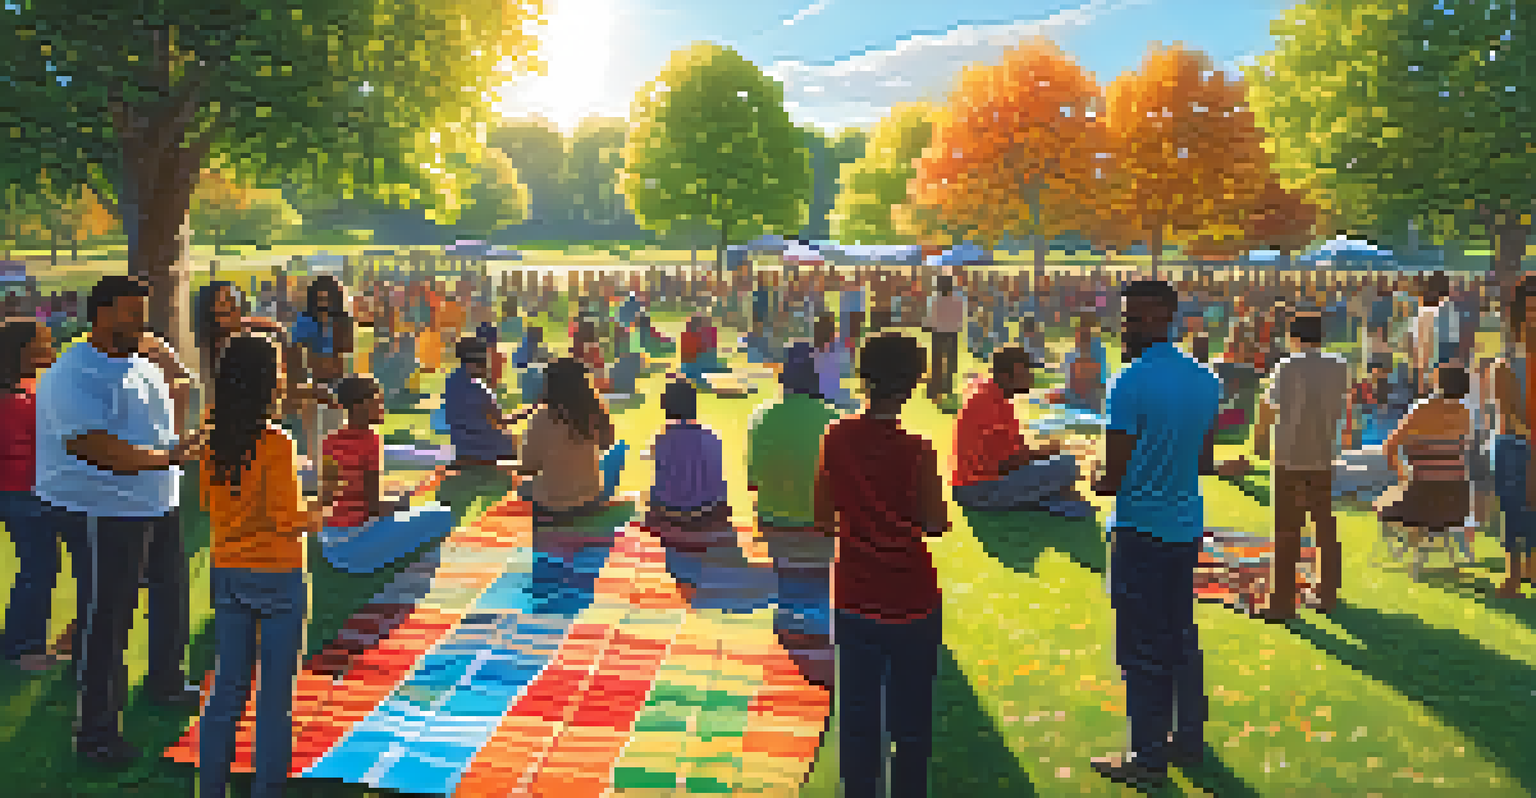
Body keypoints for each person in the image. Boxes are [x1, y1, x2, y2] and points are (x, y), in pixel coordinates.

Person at [35, 276, 203, 766]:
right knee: (108, 618)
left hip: (155, 501)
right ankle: (96, 734)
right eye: (130, 312)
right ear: (100, 314)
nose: (140, 322)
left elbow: (171, 420)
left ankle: (167, 684)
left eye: (142, 312)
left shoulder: (143, 364)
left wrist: (172, 369)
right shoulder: (72, 373)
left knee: (170, 597)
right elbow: (90, 446)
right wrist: (164, 459)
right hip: (100, 507)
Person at [1090, 279, 1222, 789]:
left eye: (1139, 319)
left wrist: (1093, 474)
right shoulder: (1205, 380)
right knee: (1180, 635)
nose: (1130, 327)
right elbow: (1203, 460)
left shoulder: (1129, 382)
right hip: (1184, 525)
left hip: (1141, 528)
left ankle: (1147, 759)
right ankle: (1187, 737)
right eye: (1127, 317)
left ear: (1166, 319)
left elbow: (1113, 477)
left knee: (1142, 649)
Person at [817, 333, 948, 798]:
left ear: (862, 377)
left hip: (854, 595)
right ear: (913, 384)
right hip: (911, 599)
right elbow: (935, 522)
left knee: (857, 720)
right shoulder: (918, 450)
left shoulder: (837, 436)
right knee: (910, 724)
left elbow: (821, 516)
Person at [198, 334, 324, 798]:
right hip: (277, 576)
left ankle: (210, 788)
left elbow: (212, 506)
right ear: (267, 381)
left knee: (226, 692)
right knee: (275, 701)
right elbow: (286, 519)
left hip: (229, 572)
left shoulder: (212, 441)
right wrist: (319, 512)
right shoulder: (275, 443)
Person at [748, 343, 841, 688]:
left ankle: (795, 616)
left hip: (774, 523)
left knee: (790, 574)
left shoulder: (760, 416)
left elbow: (753, 481)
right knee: (816, 578)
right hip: (821, 527)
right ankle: (813, 624)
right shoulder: (834, 419)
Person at [1251, 313, 1351, 621]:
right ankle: (1327, 592)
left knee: (1286, 529)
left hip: (1289, 455)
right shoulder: (1340, 366)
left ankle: (1281, 602)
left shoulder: (1287, 366)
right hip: (1322, 453)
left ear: (1293, 337)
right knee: (1324, 524)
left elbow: (1270, 406)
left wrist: (1258, 440)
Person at [319, 376, 455, 573]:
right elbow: (374, 509)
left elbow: (330, 498)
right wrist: (400, 503)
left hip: (329, 546)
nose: (382, 408)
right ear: (360, 406)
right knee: (441, 514)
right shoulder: (370, 441)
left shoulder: (329, 442)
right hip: (356, 548)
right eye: (378, 402)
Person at [951, 347, 1094, 518]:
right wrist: (1047, 452)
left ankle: (1052, 499)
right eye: (1026, 372)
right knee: (1066, 464)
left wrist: (1046, 453)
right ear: (1006, 376)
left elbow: (1015, 452)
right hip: (979, 489)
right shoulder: (987, 404)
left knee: (1060, 464)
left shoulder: (997, 399)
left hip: (984, 483)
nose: (1031, 377)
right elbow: (1006, 463)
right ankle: (1053, 499)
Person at [0, 319, 67, 672]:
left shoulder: (25, 391)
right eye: (42, 342)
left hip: (28, 491)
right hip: (23, 493)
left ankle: (23, 642)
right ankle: (23, 648)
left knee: (38, 567)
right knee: (38, 568)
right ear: (21, 349)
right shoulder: (14, 400)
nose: (50, 348)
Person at [1375, 365, 1473, 532]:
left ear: (1439, 383)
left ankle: (1416, 550)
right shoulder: (1465, 412)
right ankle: (1428, 547)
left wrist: (1402, 474)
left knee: (1381, 503)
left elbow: (1389, 446)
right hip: (1458, 503)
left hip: (1423, 498)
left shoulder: (1423, 408)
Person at [518, 358, 619, 516]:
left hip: (551, 505)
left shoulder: (543, 416)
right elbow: (608, 444)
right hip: (589, 501)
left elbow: (528, 467)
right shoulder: (594, 412)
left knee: (522, 488)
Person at [288, 275, 354, 463]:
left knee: (335, 429)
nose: (324, 304)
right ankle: (316, 468)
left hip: (338, 381)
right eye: (320, 299)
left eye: (328, 299)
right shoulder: (305, 322)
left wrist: (329, 325)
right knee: (314, 435)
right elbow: (296, 353)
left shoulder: (343, 322)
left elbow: (345, 353)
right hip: (312, 382)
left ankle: (334, 468)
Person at [924, 275, 964, 400]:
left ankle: (935, 388)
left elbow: (932, 318)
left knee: (937, 361)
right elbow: (959, 318)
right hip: (952, 332)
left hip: (938, 332)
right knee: (950, 361)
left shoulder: (935, 299)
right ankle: (948, 386)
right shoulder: (957, 300)